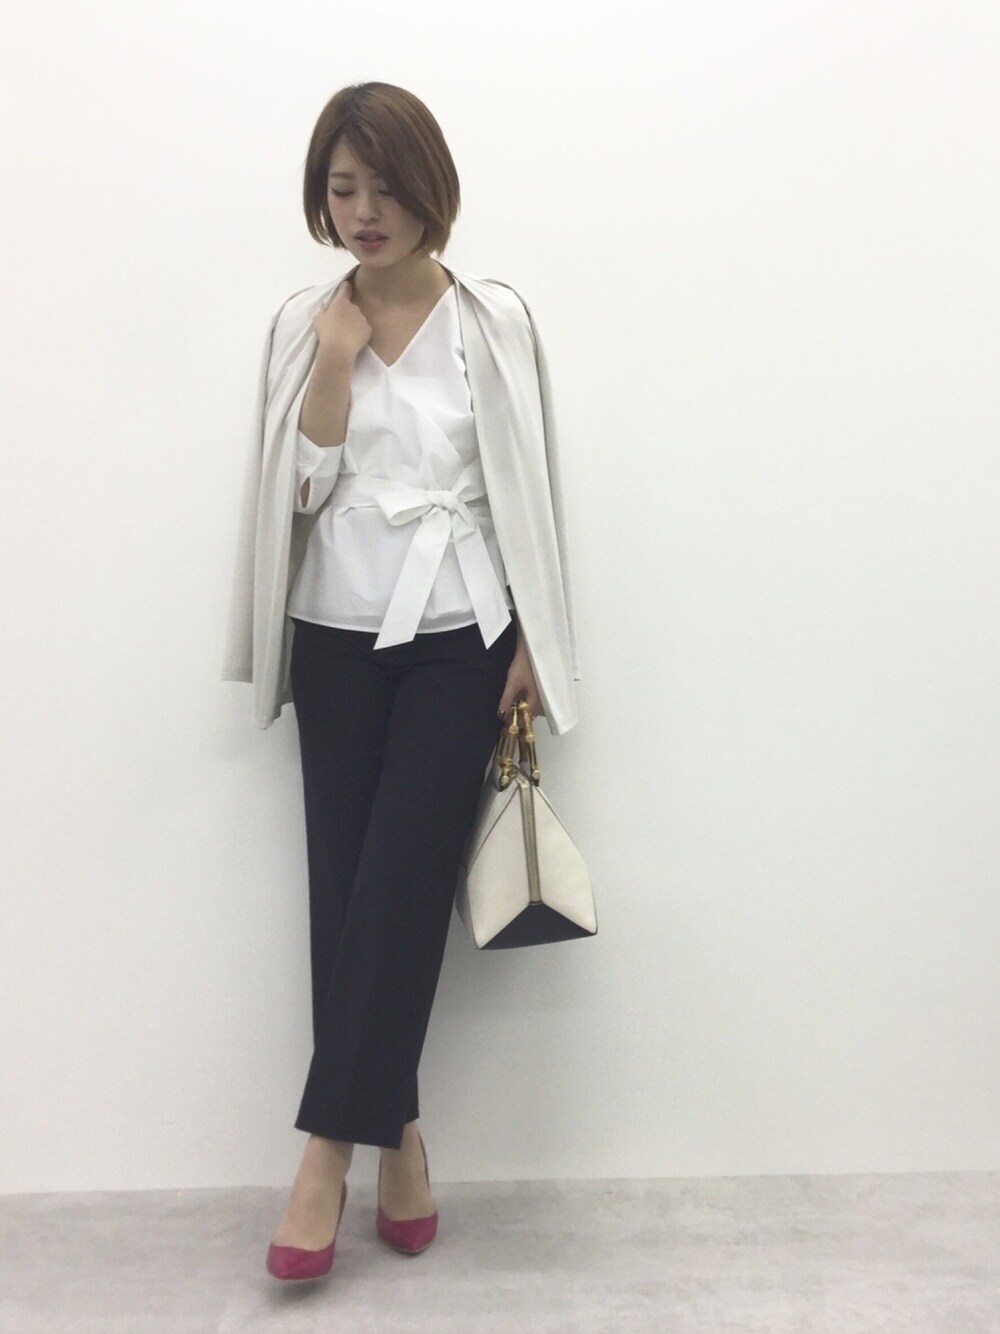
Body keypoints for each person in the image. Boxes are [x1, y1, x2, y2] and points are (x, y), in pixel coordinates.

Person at [222, 81, 581, 1282]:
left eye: (383, 186)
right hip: (333, 632)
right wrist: (334, 362)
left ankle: (325, 1151)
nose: (363, 211)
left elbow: (533, 490)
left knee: (403, 879)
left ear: (431, 188)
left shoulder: (495, 320)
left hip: (460, 629)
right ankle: (404, 1132)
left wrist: (536, 638)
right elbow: (296, 496)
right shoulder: (303, 323)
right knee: (349, 888)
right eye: (341, 189)